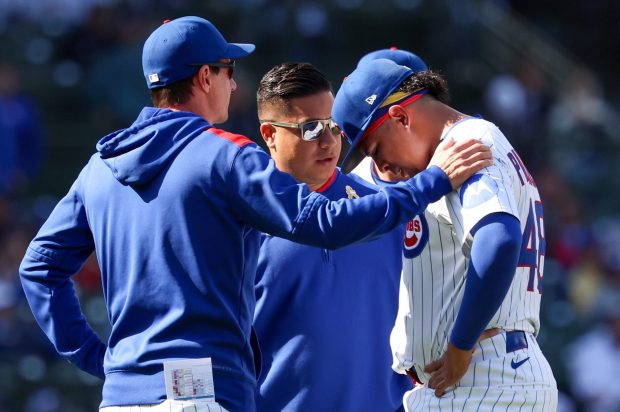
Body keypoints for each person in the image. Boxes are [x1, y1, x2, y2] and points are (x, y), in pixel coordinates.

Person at [17, 16, 491, 412]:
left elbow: (39, 268)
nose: (232, 81)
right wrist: (432, 181)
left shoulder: (101, 166)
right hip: (203, 392)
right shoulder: (222, 154)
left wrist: (101, 359)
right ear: (204, 77)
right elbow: (326, 223)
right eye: (226, 69)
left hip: (122, 398)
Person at [333, 55, 558, 410]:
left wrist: (460, 345)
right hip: (488, 376)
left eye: (375, 150)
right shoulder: (459, 148)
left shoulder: (465, 143)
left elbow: (499, 240)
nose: (381, 165)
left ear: (401, 117)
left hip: (483, 377)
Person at [252, 62, 410, 411]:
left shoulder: (383, 210)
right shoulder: (243, 224)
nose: (328, 141)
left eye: (333, 126)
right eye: (310, 129)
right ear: (269, 134)